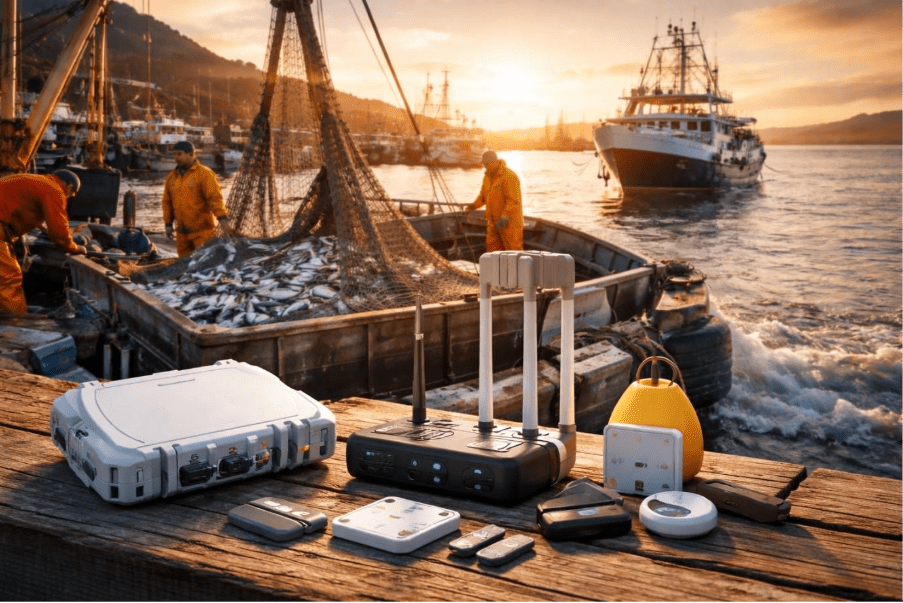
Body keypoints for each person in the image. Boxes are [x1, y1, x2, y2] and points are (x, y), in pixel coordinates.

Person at [0, 169, 87, 314]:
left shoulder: (37, 181)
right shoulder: (55, 190)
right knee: (9, 278)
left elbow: (25, 209)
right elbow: (59, 233)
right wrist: (74, 248)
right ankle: (16, 324)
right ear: (69, 187)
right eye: (70, 195)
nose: (67, 198)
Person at [162, 140, 232, 257]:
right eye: (174, 154)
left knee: (204, 263)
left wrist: (223, 219)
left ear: (191, 154)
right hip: (182, 233)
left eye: (179, 154)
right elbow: (167, 202)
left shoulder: (205, 174)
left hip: (202, 232)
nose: (175, 157)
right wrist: (168, 224)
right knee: (183, 266)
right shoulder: (172, 177)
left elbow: (214, 198)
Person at [465, 150, 523, 252]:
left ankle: (516, 268)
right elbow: (483, 197)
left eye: (487, 164)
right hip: (493, 224)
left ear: (495, 162)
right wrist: (473, 206)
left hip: (509, 224)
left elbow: (513, 200)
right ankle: (497, 268)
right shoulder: (487, 178)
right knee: (493, 253)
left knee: (513, 251)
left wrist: (505, 216)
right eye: (484, 164)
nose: (485, 167)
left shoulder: (509, 176)